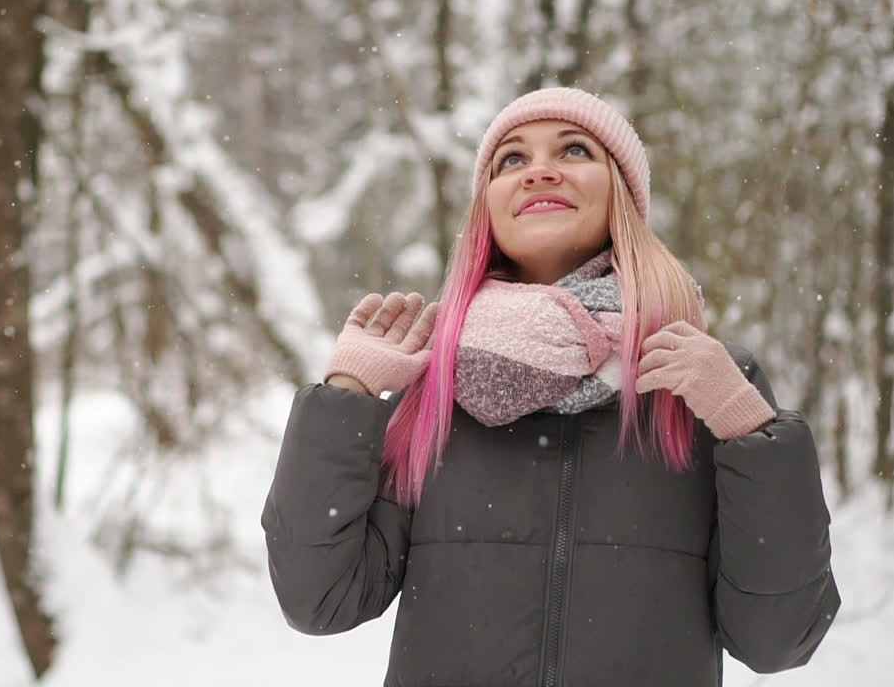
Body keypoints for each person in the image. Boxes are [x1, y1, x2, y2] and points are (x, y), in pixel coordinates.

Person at [260, 87, 840, 687]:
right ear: (488, 207)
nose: (539, 170)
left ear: (621, 194)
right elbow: (319, 600)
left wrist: (749, 429)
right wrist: (347, 392)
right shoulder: (433, 387)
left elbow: (777, 639)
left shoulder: (705, 383)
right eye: (512, 159)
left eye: (574, 150)